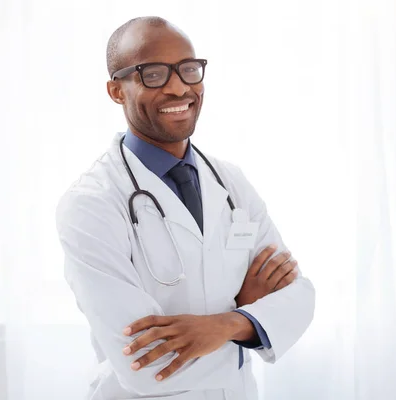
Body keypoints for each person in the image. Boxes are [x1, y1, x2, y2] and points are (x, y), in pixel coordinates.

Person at [55, 16, 315, 400]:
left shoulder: (231, 183)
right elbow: (145, 364)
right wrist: (252, 322)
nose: (179, 87)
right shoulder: (91, 204)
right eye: (153, 74)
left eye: (188, 70)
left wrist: (225, 325)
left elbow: (300, 298)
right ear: (115, 91)